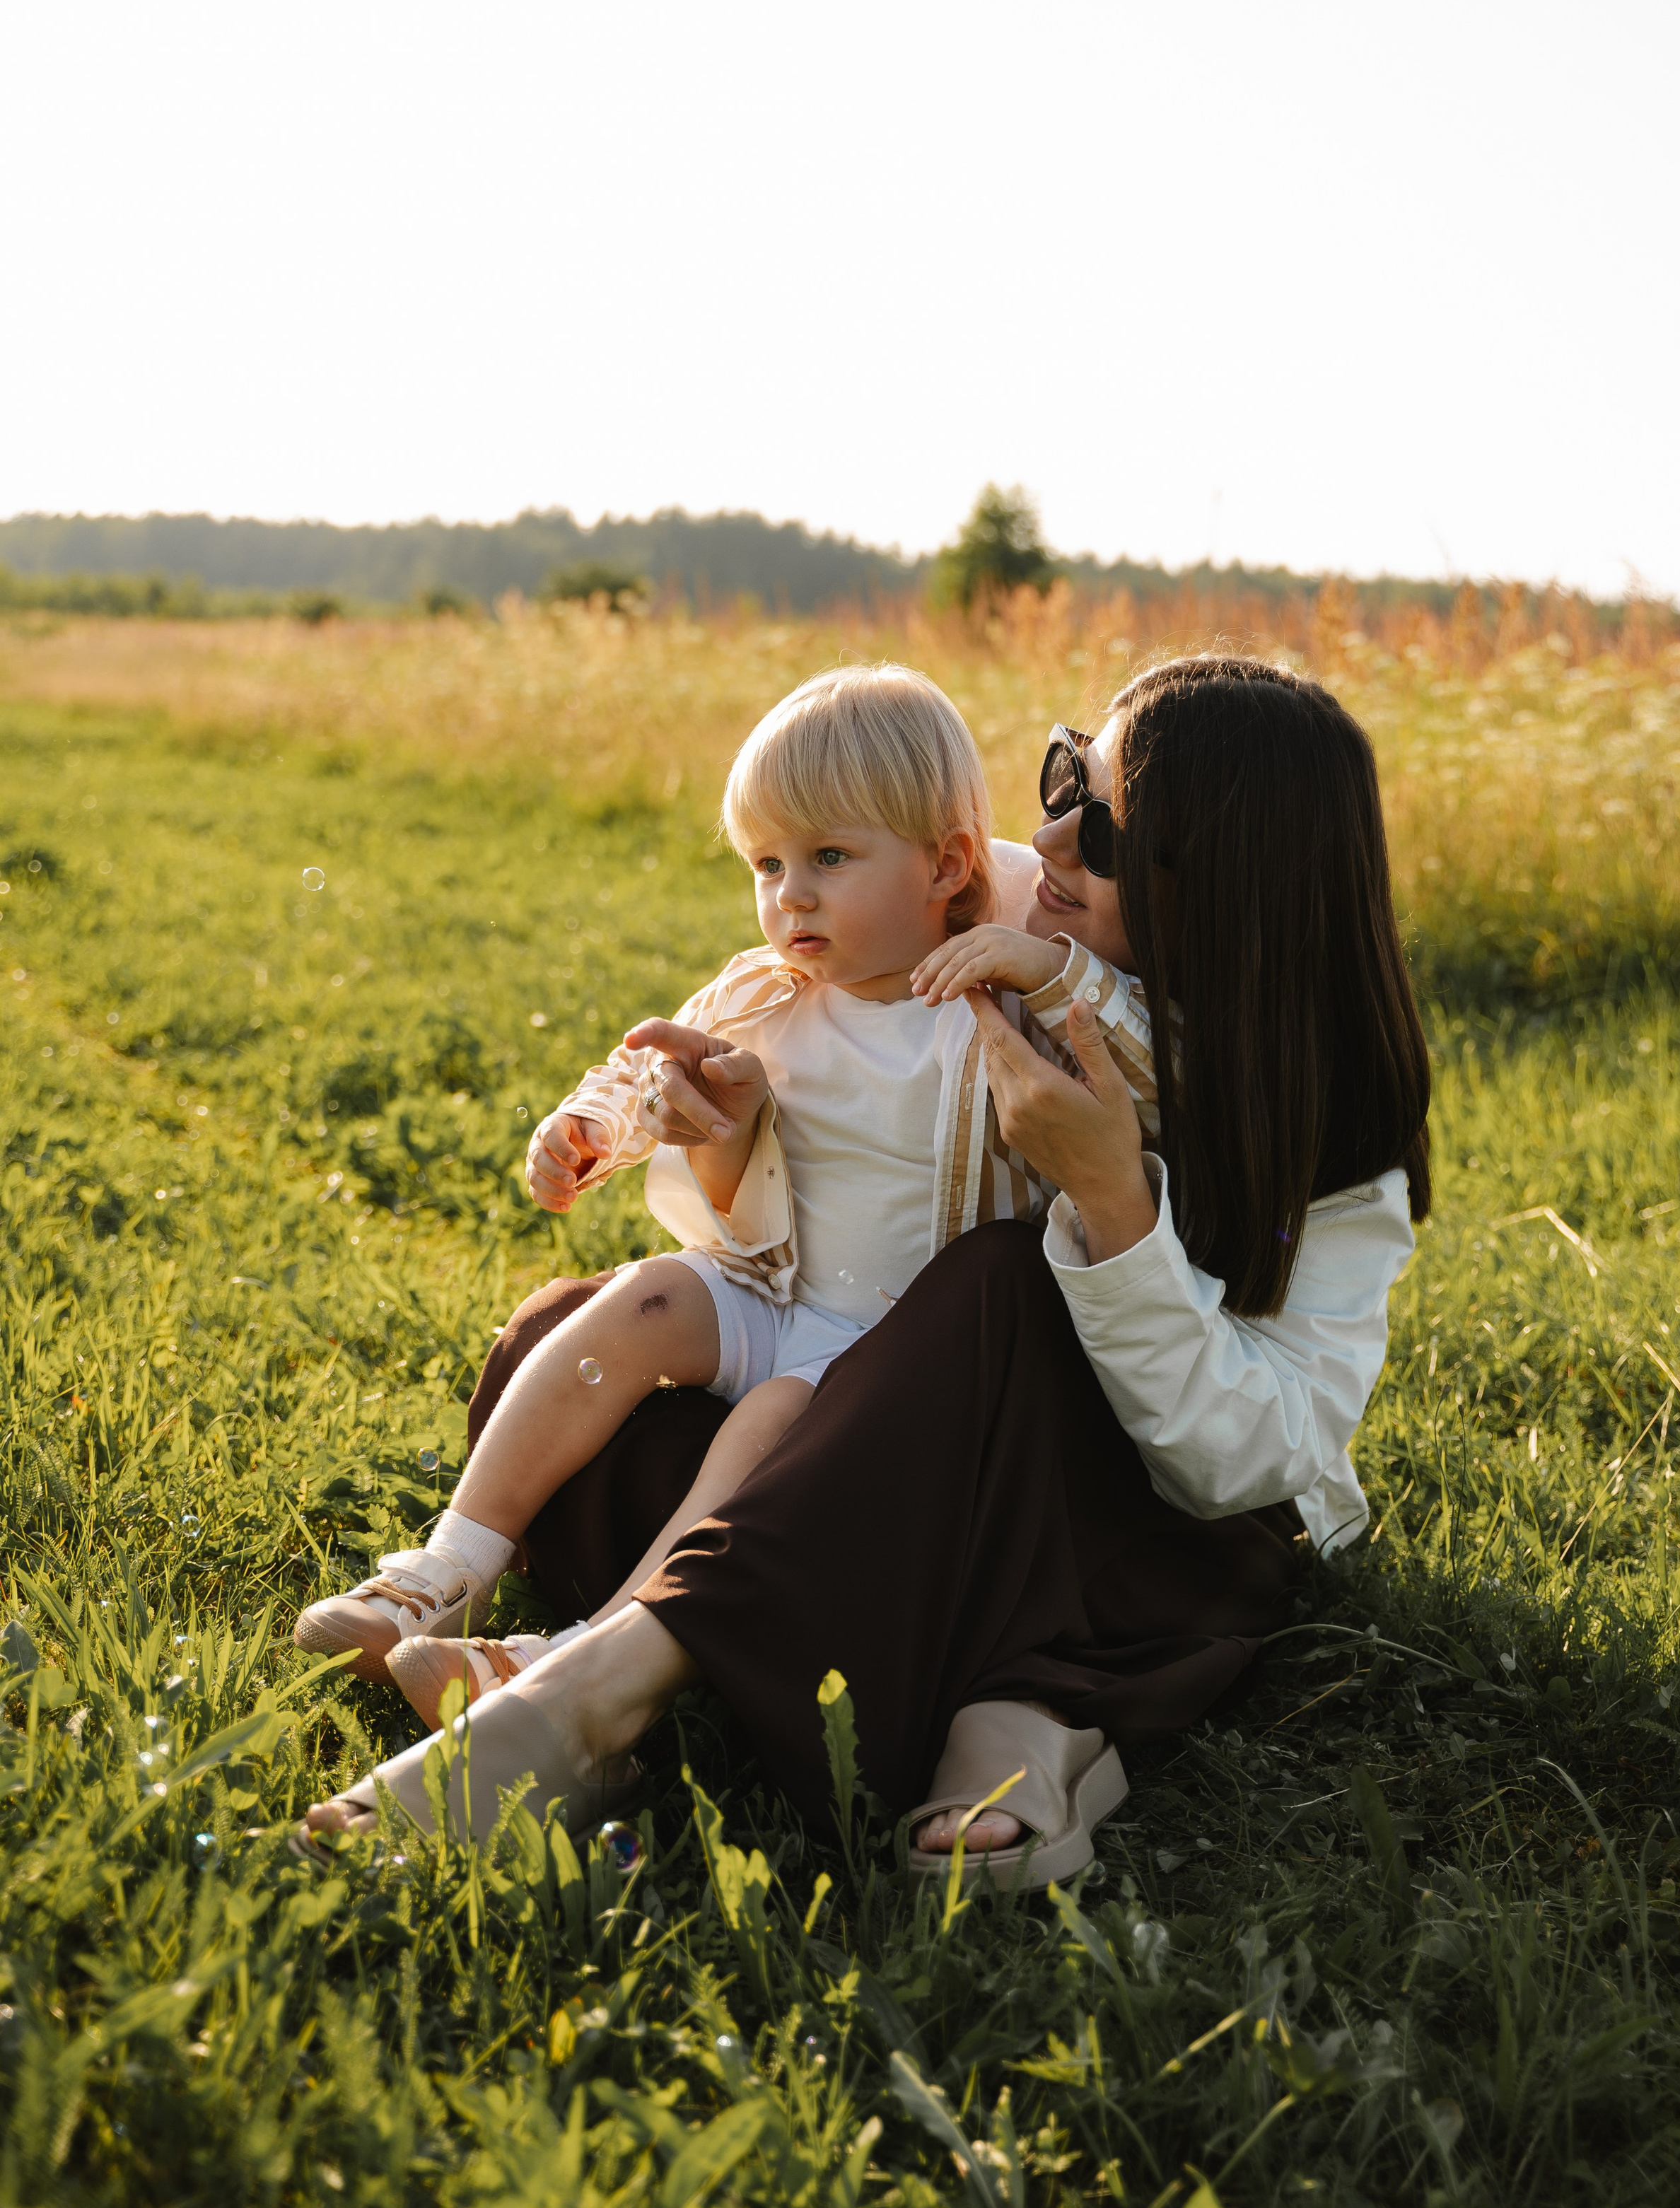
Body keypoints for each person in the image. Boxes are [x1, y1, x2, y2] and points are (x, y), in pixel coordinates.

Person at [301, 654, 1430, 1887]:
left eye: (1100, 821)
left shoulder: (1306, 1112)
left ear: (1207, 885)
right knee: (569, 1335)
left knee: (996, 1285)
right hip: (905, 1445)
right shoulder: (978, 914)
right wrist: (727, 1139)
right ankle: (818, 1661)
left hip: (1132, 1510)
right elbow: (824, 1188)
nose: (1048, 826)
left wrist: (1110, 1196)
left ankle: (592, 1697)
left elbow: (1253, 1465)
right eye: (1065, 775)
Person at [293, 661, 1158, 1734]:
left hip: (891, 1355)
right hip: (773, 1289)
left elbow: (1149, 1068)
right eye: (767, 862)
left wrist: (1046, 970)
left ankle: (572, 1657)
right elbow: (655, 1059)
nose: (789, 895)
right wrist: (590, 1128)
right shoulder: (765, 988)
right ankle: (446, 1564)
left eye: (829, 858)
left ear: (946, 862)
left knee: (762, 1430)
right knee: (641, 1300)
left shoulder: (996, 1001)